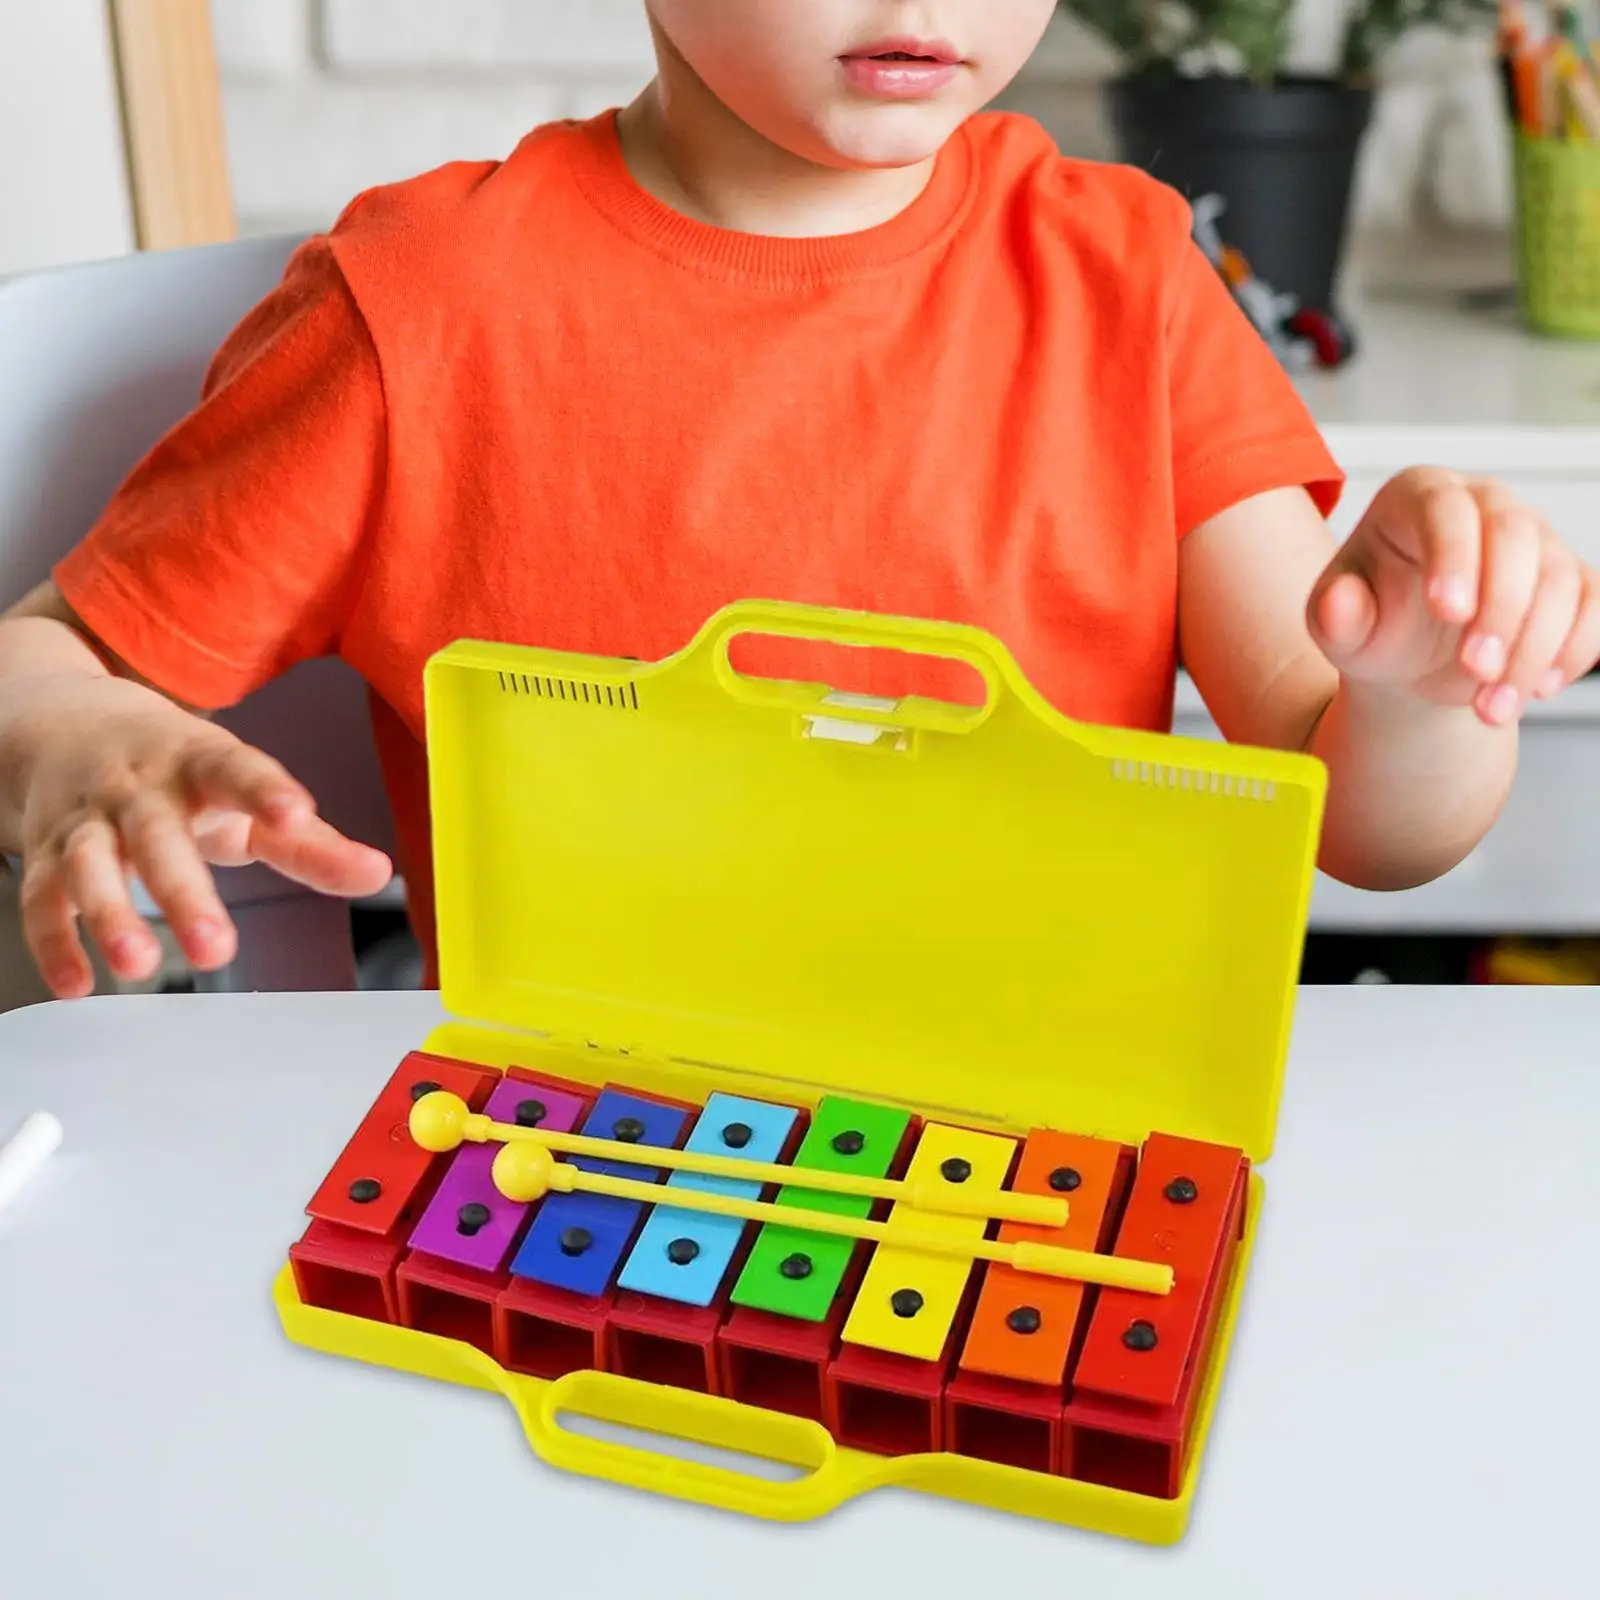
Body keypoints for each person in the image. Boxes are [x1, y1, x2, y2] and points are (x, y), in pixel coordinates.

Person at [1, 1, 1595, 1002]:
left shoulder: (1130, 279)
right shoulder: (416, 313)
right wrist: (72, 745)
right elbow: (45, 658)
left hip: (1046, 1137)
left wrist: (1430, 689)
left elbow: (1368, 829)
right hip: (583, 1151)